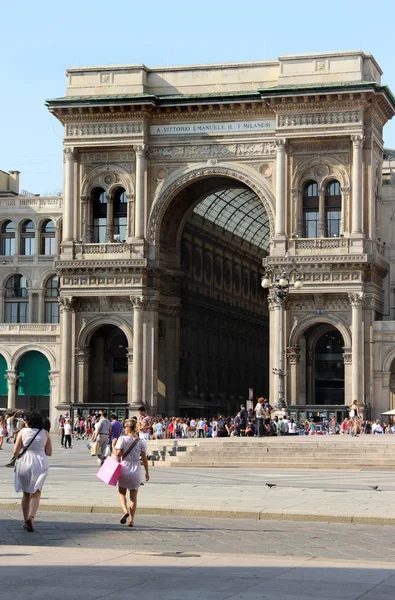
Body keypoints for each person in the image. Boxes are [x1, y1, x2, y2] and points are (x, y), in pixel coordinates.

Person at [13, 409, 52, 532]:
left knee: (26, 493)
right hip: (40, 463)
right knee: (37, 492)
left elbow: (15, 451)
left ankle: (26, 520)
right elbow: (49, 452)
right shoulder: (45, 433)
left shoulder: (22, 432)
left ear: (28, 421)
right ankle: (31, 518)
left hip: (25, 462)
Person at [114, 419, 149, 527]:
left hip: (124, 468)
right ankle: (131, 520)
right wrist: (147, 472)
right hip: (136, 470)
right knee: (133, 497)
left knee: (121, 493)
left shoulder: (122, 439)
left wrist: (113, 446)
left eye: (125, 427)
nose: (124, 429)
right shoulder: (141, 441)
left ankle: (125, 511)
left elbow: (118, 455)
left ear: (128, 428)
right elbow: (144, 459)